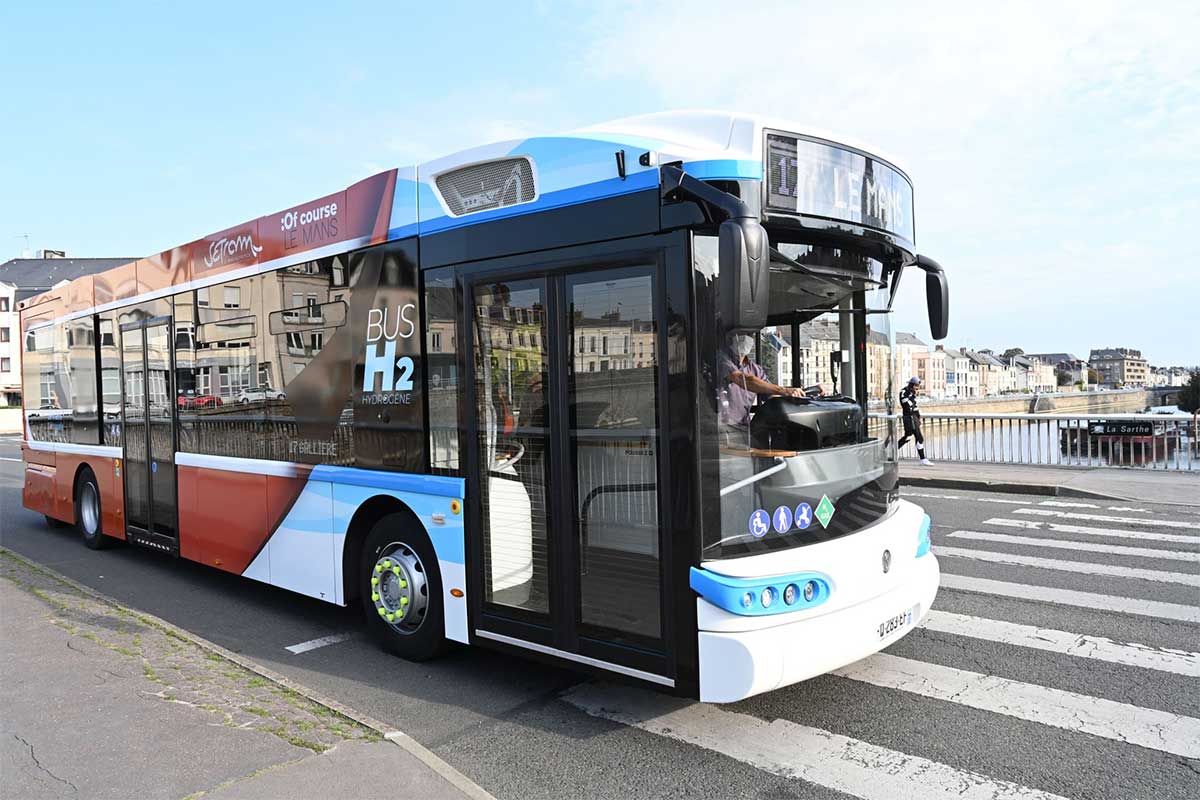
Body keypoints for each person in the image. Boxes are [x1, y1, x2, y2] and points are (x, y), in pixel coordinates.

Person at [719, 332, 803, 427]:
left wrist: (799, 393)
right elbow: (744, 380)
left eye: (750, 334)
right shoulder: (722, 360)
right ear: (731, 338)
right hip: (722, 429)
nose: (746, 338)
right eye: (742, 333)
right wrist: (785, 391)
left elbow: (771, 393)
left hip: (744, 428)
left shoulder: (755, 369)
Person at [899, 376, 933, 465]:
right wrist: (912, 402)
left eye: (918, 386)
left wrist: (918, 417)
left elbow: (914, 406)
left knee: (908, 436)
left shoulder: (911, 393)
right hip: (909, 418)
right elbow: (906, 405)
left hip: (913, 418)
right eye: (916, 385)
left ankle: (891, 452)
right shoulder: (904, 392)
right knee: (919, 438)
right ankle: (923, 459)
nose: (917, 387)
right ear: (912, 385)